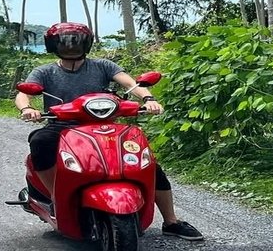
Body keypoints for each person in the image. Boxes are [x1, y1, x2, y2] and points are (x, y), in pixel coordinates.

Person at [15, 22, 204, 242]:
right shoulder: (45, 71)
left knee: (148, 165)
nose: (71, 47)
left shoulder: (103, 66)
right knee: (39, 141)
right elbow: (23, 94)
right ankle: (57, 197)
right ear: (53, 45)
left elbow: (131, 84)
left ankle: (171, 221)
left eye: (76, 42)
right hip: (62, 128)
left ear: (87, 44)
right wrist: (27, 108)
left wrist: (148, 99)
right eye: (65, 43)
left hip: (105, 128)